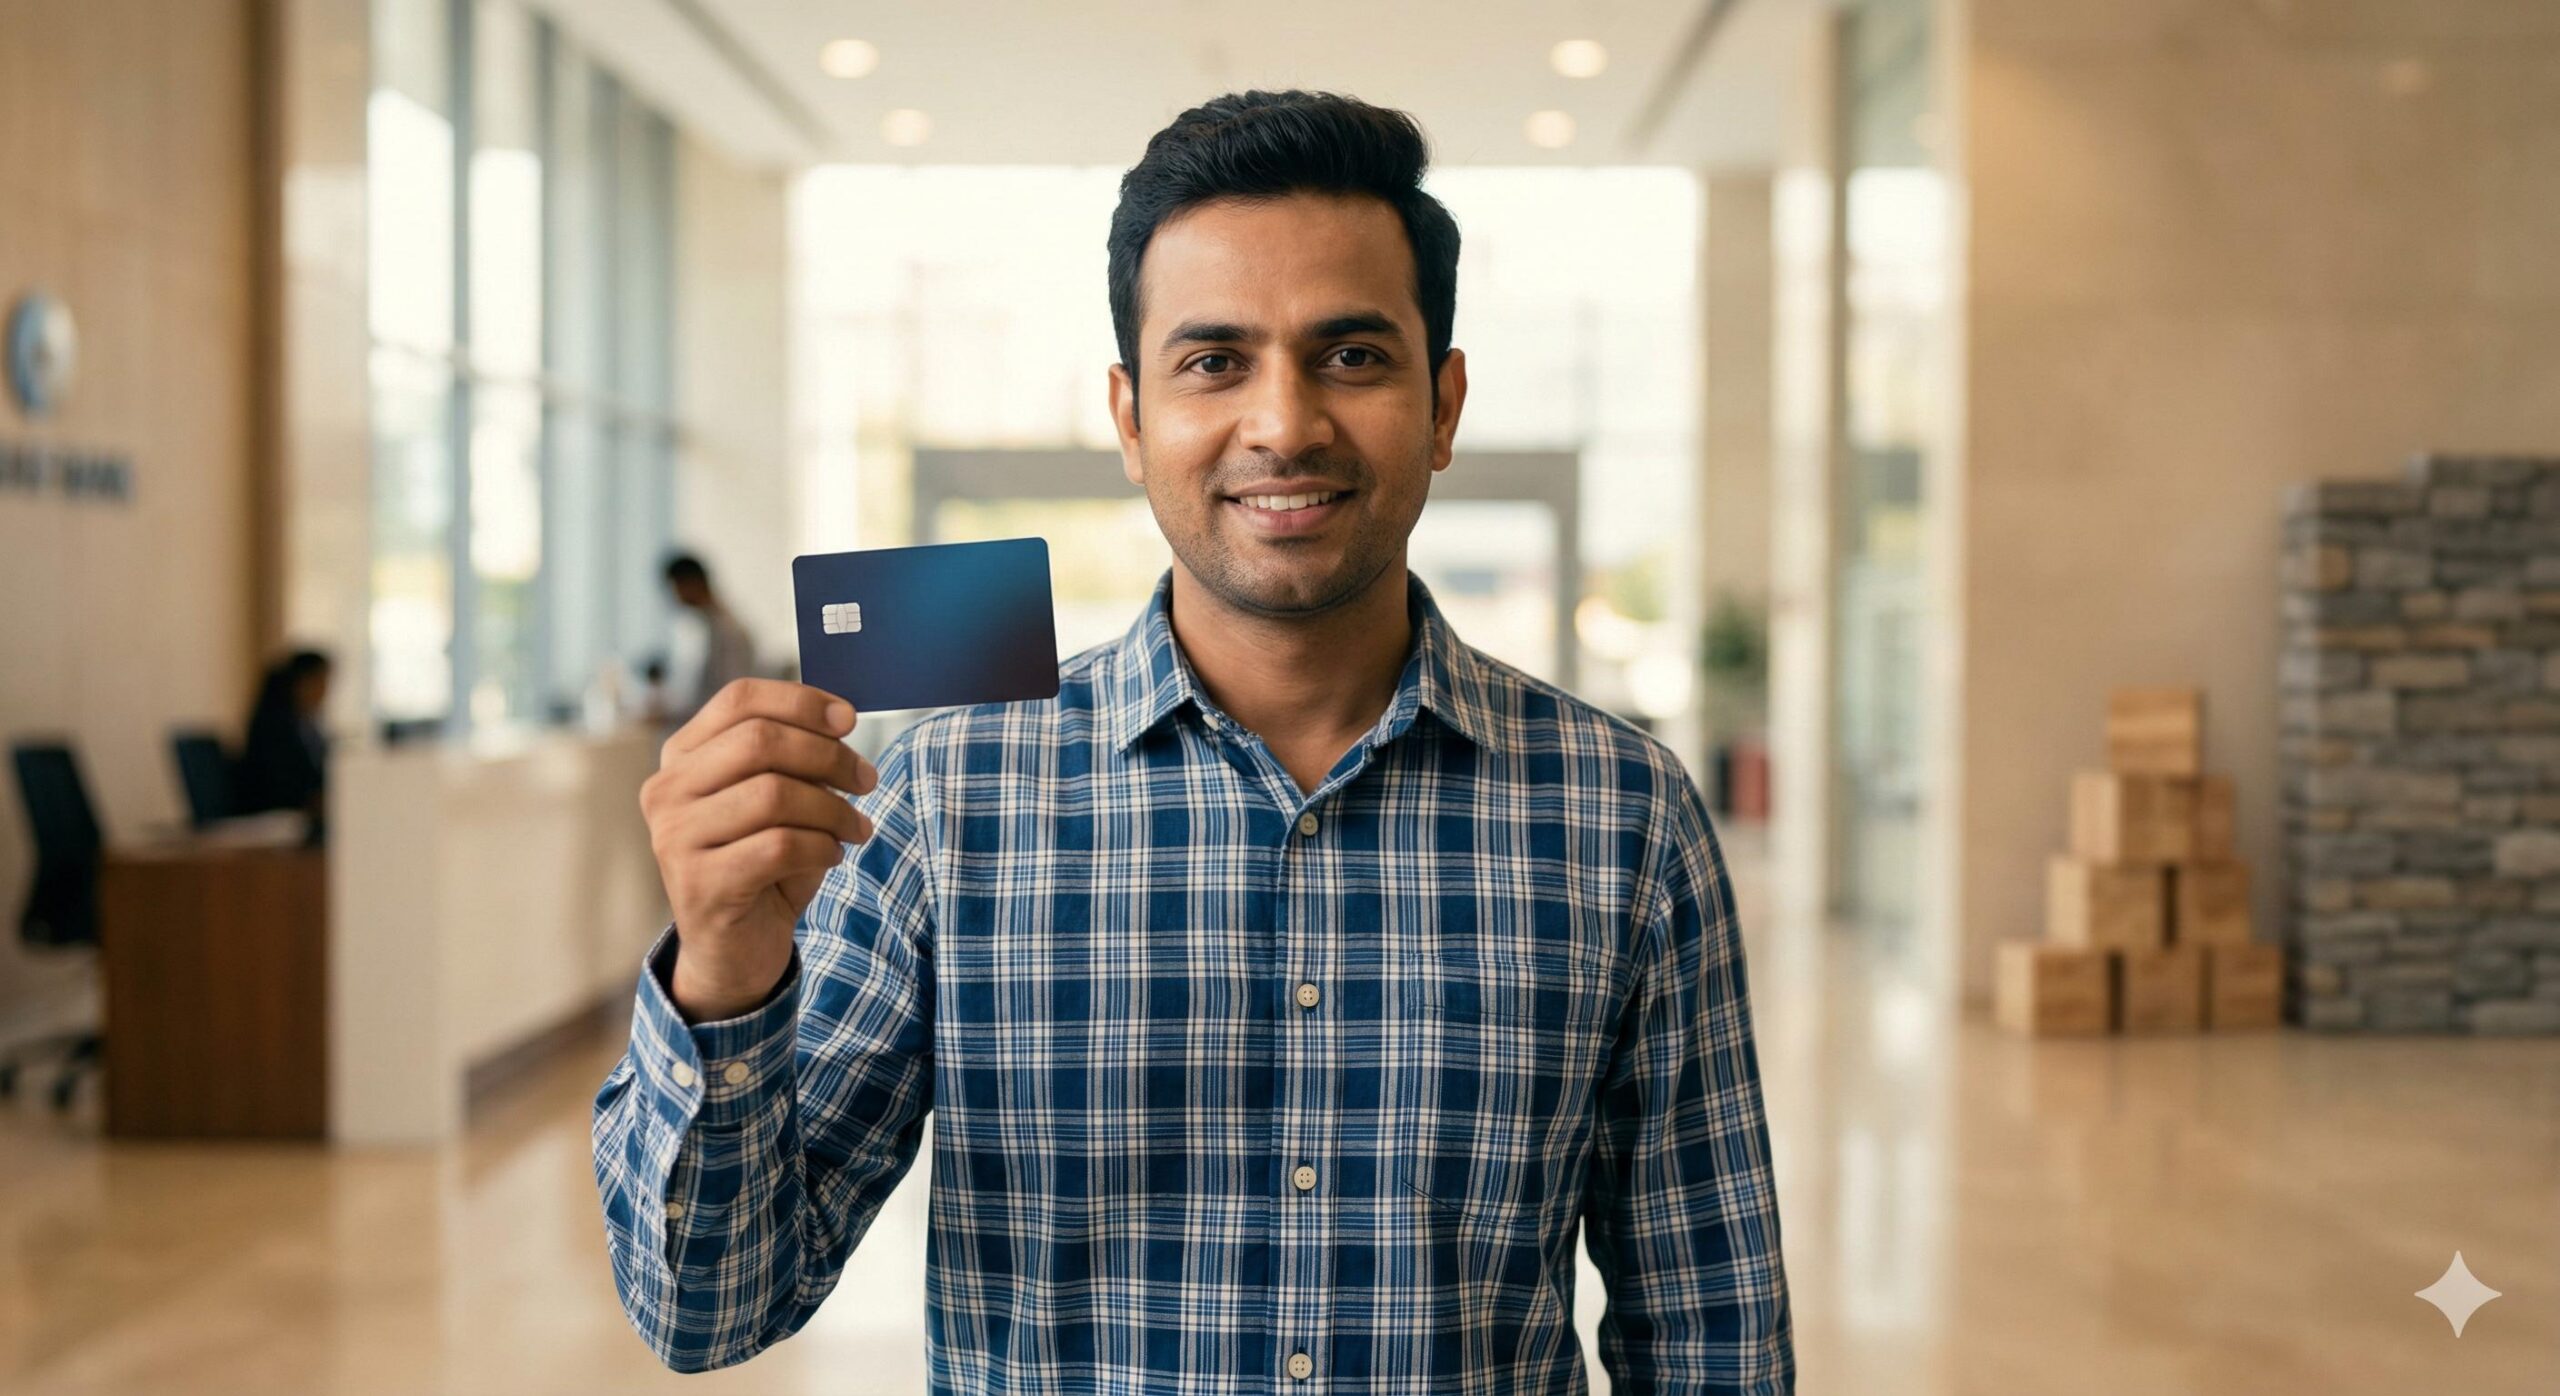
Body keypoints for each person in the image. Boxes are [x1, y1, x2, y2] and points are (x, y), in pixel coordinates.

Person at [594, 90, 1792, 1393]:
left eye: (1352, 355)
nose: (1282, 424)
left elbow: (1710, 1329)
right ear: (1130, 418)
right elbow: (710, 1308)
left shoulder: (1621, 816)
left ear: (1443, 406)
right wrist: (722, 971)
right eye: (1214, 362)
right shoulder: (948, 798)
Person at [235, 649, 331, 843]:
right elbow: (281, 786)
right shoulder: (274, 726)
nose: (325, 690)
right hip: (277, 822)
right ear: (302, 682)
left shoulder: (306, 725)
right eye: (321, 681)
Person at [662, 552, 758, 720]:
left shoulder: (728, 631)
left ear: (691, 583)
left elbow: (733, 693)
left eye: (675, 588)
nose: (674, 597)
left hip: (722, 723)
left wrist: (670, 713)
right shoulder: (701, 627)